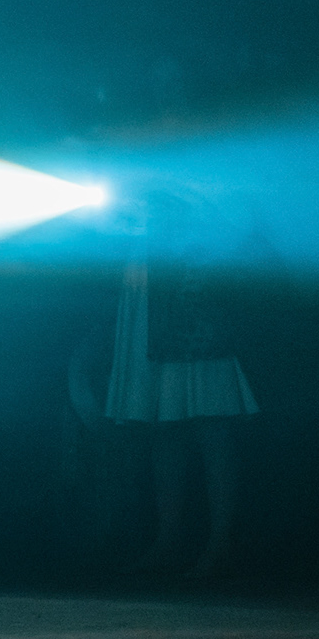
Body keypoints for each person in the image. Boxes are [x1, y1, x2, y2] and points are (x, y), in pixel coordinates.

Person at [104, 187, 259, 578]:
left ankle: (219, 544)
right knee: (164, 425)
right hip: (155, 289)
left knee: (211, 426)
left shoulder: (197, 196)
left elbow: (228, 223)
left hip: (192, 296)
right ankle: (169, 540)